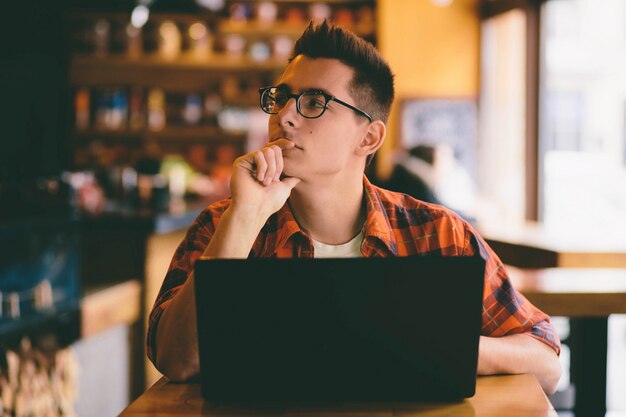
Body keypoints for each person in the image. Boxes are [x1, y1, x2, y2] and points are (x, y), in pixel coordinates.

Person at [147, 21, 561, 394]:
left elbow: (546, 360)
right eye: (283, 98)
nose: (285, 117)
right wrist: (246, 215)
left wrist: (443, 349)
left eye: (314, 102)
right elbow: (176, 361)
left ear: (368, 139)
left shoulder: (438, 234)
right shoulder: (223, 223)